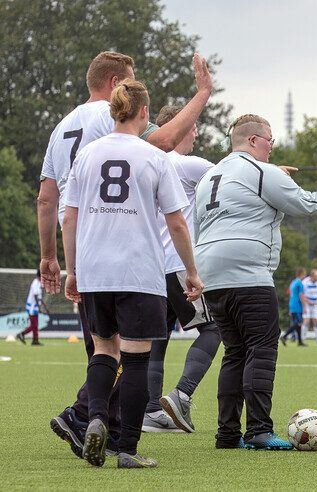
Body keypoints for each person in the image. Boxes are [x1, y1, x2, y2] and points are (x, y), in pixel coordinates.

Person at [41, 50, 213, 458]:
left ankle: (92, 417)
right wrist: (203, 92)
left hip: (92, 262)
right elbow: (174, 212)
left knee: (103, 351)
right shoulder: (148, 152)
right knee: (135, 361)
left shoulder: (70, 136)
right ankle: (123, 444)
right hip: (137, 267)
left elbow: (54, 203)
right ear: (125, 93)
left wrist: (63, 265)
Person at [194, 113, 317, 450]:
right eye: (270, 140)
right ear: (253, 141)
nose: (273, 147)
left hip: (210, 274)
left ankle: (227, 434)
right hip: (248, 272)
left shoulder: (210, 175)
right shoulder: (261, 172)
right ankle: (258, 431)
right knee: (262, 348)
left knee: (235, 352)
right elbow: (308, 204)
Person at [141, 105, 221, 434]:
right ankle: (182, 395)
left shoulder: (146, 163)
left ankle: (149, 412)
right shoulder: (187, 164)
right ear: (179, 127)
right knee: (215, 330)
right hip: (177, 265)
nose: (197, 133)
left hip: (150, 268)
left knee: (156, 340)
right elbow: (233, 177)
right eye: (193, 127)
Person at [16, 270, 47, 345]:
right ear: (41, 276)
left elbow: (39, 297)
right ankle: (22, 334)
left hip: (35, 307)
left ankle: (35, 340)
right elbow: (35, 296)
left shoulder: (39, 283)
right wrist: (40, 308)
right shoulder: (35, 283)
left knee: (35, 324)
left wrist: (45, 307)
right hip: (32, 308)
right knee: (34, 325)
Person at [281, 268, 308, 346]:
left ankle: (300, 342)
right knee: (298, 323)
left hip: (292, 304)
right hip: (297, 306)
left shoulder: (293, 282)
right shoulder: (300, 283)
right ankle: (284, 336)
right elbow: (301, 295)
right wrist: (305, 306)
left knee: (297, 323)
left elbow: (291, 294)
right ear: (302, 274)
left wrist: (290, 308)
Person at [302, 269, 317, 343]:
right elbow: (302, 294)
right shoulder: (305, 282)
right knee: (306, 321)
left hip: (314, 305)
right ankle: (302, 339)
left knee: (316, 321)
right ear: (312, 276)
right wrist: (307, 302)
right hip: (307, 304)